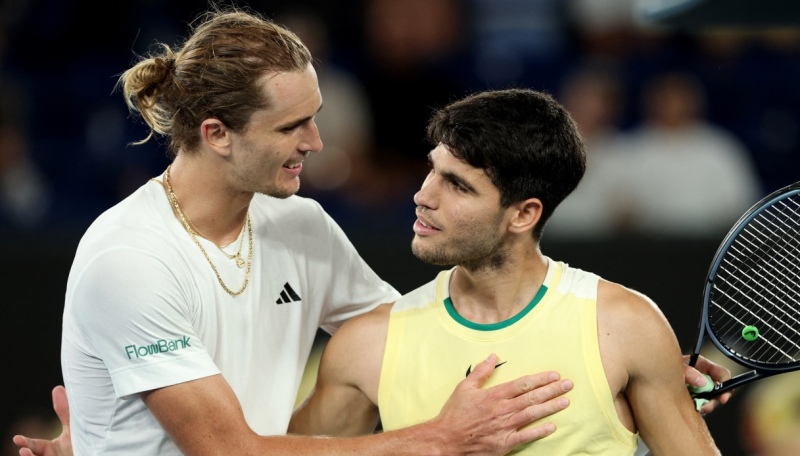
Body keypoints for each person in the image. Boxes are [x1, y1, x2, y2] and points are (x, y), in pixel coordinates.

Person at [12, 7, 731, 456]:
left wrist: (652, 375)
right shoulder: (130, 258)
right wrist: (440, 441)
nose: (319, 142)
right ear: (217, 134)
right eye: (293, 125)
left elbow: (430, 335)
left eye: (316, 114)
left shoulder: (302, 226)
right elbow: (229, 450)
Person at [288, 88, 723, 455]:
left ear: (523, 215)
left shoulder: (624, 327)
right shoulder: (367, 345)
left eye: (457, 185)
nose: (423, 195)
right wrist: (435, 440)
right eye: (433, 170)